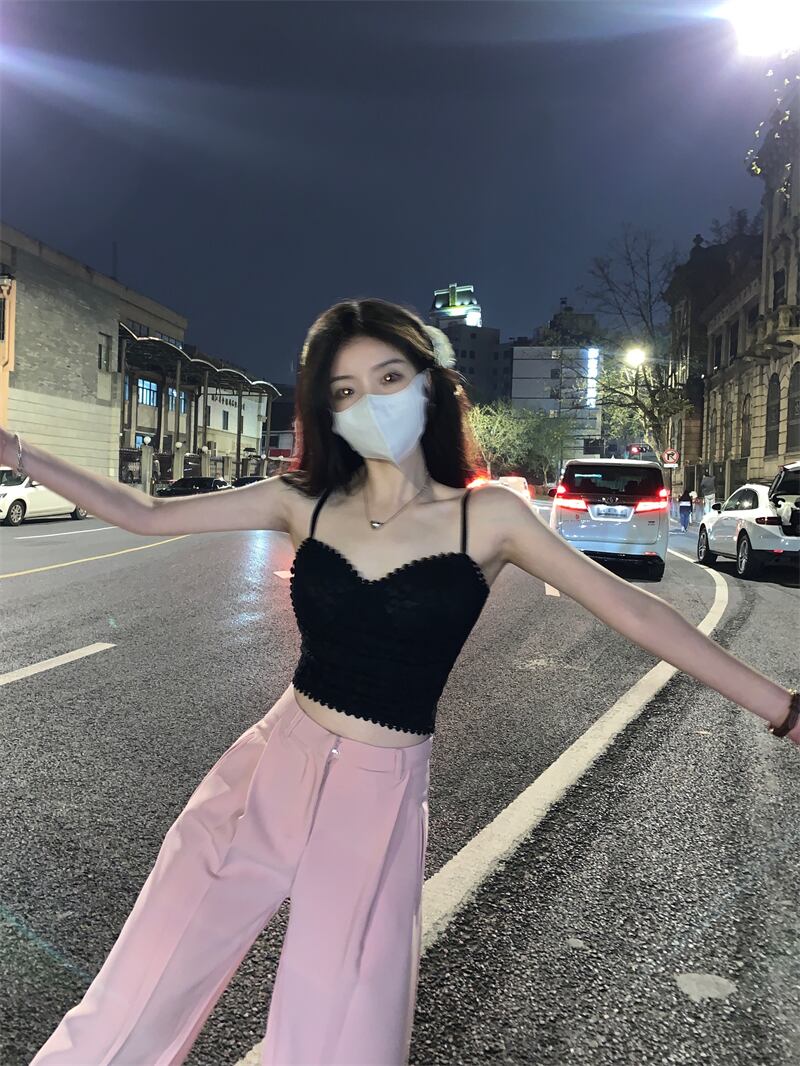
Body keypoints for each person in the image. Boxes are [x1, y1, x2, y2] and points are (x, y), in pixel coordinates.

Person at [2, 298, 797, 1066]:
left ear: (430, 384)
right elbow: (145, 513)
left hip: (379, 796)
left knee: (341, 1030)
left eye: (388, 378)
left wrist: (785, 709)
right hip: (272, 761)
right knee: (144, 982)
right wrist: (18, 453)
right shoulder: (304, 501)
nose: (371, 403)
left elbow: (637, 613)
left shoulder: (487, 517)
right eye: (345, 391)